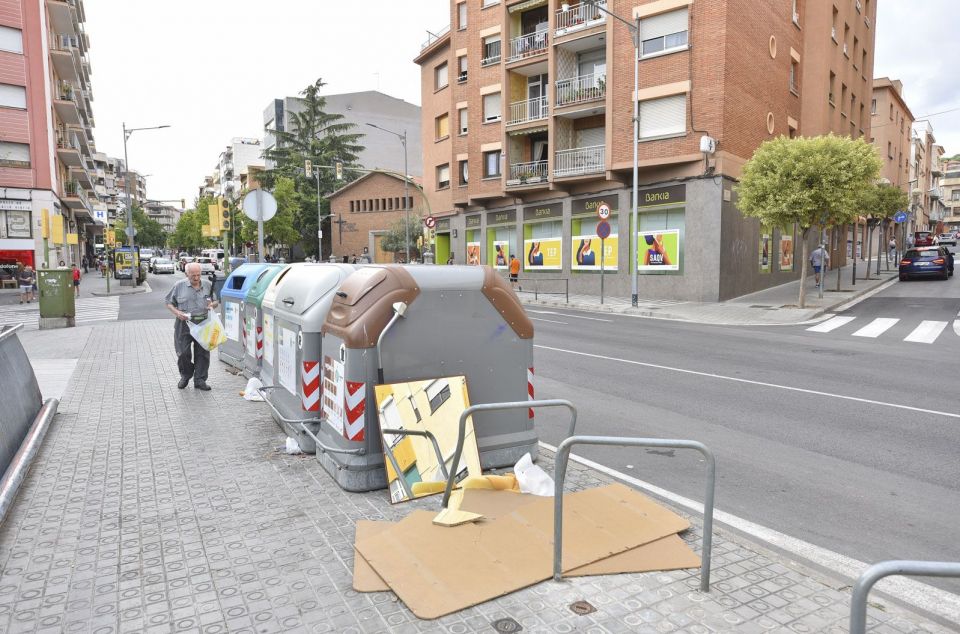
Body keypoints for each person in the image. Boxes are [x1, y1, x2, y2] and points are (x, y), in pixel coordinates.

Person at [164, 262, 219, 391]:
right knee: (183, 352)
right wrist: (177, 313)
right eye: (193, 275)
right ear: (186, 274)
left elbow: (216, 301)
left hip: (203, 323)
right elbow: (168, 302)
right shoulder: (179, 286)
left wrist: (212, 305)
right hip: (184, 324)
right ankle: (186, 375)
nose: (196, 278)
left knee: (203, 353)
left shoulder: (207, 285)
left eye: (198, 275)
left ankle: (200, 380)